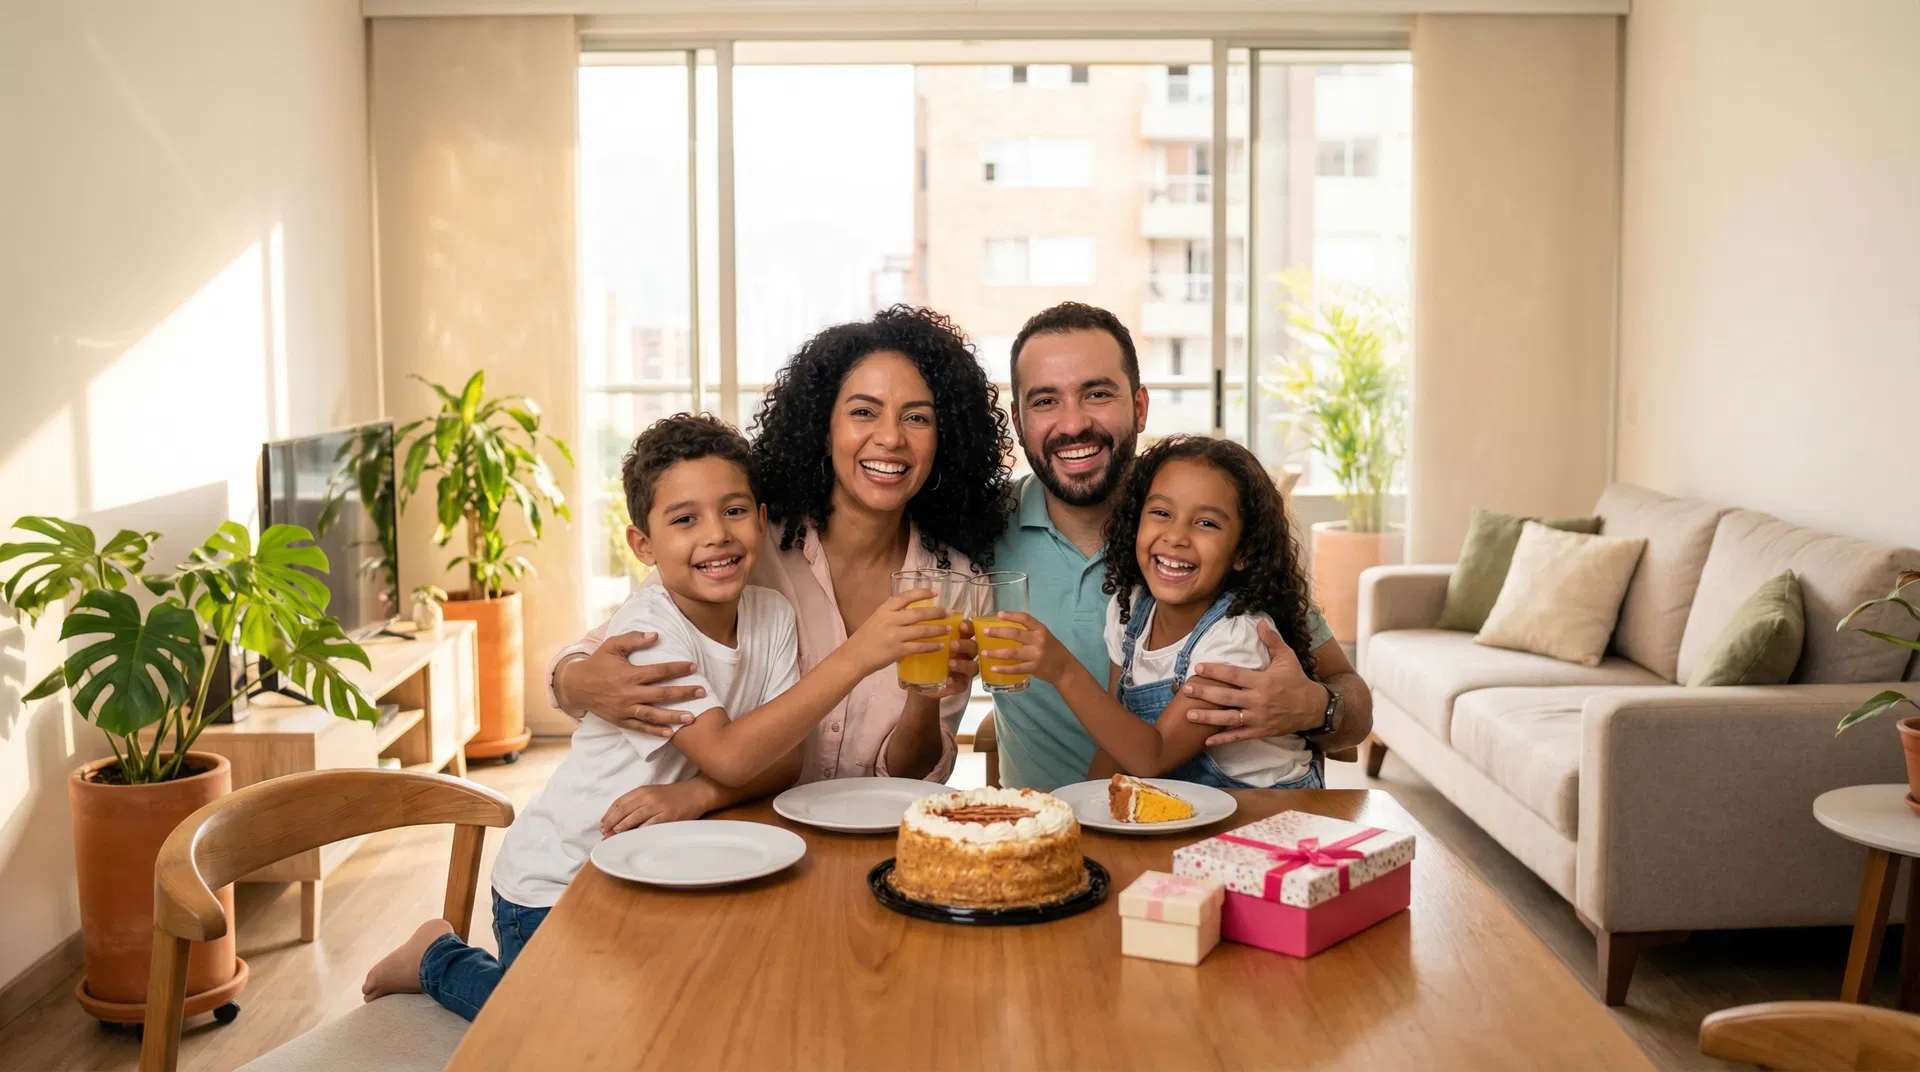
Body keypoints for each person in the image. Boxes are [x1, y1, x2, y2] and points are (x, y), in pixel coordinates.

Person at [361, 415, 949, 1019]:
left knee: (680, 1013)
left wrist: (693, 795)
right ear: (642, 545)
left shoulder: (771, 614)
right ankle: (437, 955)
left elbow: (784, 762)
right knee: (558, 1033)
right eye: (684, 519)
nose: (716, 535)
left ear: (763, 519)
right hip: (561, 880)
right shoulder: (653, 628)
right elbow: (736, 755)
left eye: (735, 510)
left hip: (660, 870)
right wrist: (856, 656)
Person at [548, 306, 1013, 824]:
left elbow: (909, 778)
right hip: (743, 839)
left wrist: (925, 700)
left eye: (917, 417)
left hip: (869, 841)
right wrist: (574, 681)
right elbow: (613, 648)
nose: (891, 437)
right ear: (823, 425)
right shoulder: (743, 546)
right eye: (864, 412)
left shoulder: (958, 582)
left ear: (943, 439)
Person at [981, 303, 1374, 789]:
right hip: (1083, 825)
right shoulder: (980, 527)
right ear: (1017, 420)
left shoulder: (1227, 577)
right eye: (1045, 401)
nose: (1073, 423)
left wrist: (1317, 707)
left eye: (1097, 393)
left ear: (1140, 406)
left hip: (1238, 832)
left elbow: (1354, 715)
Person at [990, 435, 1329, 787]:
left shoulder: (1236, 639)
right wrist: (1084, 812)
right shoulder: (1130, 609)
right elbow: (1115, 740)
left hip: (1266, 811)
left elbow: (1154, 757)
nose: (1176, 536)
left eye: (1207, 523)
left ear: (1244, 551)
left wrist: (1062, 670)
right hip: (1187, 807)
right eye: (1162, 513)